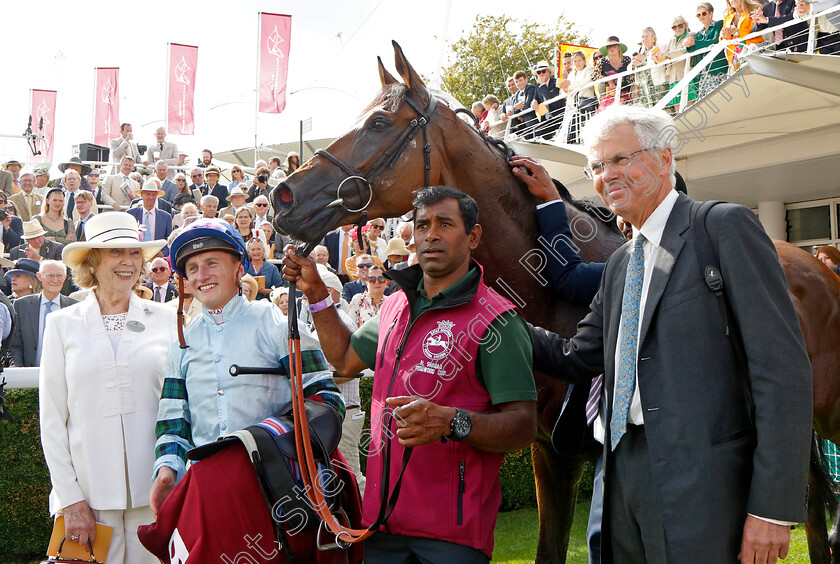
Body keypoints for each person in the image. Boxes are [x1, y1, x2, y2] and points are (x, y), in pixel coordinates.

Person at [528, 104, 812, 562]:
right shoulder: (621, 262)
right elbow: (577, 357)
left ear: (664, 159)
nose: (607, 175)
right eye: (597, 166)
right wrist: (493, 319)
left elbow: (781, 374)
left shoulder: (722, 227)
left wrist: (773, 509)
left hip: (704, 484)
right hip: (621, 472)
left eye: (621, 159)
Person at [283, 185, 537, 563]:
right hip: (382, 526)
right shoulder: (395, 306)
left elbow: (523, 425)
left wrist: (453, 422)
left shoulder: (497, 320)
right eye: (422, 225)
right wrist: (317, 293)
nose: (430, 234)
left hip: (451, 538)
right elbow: (345, 359)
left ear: (473, 236)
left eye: (444, 224)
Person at [149, 218, 343, 516]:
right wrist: (167, 468)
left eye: (212, 263)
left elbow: (328, 402)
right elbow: (173, 423)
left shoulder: (274, 322)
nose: (202, 275)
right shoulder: (181, 342)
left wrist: (264, 439)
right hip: (208, 496)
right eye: (192, 268)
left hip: (277, 496)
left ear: (240, 268)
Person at [40, 212, 175, 564]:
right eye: (116, 252)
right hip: (88, 502)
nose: (128, 262)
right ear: (93, 260)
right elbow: (52, 420)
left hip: (157, 496)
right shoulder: (60, 325)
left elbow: (179, 406)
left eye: (134, 253)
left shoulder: (165, 318)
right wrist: (70, 500)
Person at [10, 260, 76, 367]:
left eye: (59, 275)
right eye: (50, 275)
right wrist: (20, 373)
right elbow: (15, 345)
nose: (55, 280)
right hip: (29, 378)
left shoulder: (75, 307)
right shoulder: (21, 305)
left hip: (63, 377)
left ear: (64, 277)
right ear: (39, 276)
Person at [687, 4, 729, 98]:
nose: (701, 16)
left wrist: (695, 43)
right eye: (699, 15)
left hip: (716, 70)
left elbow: (716, 41)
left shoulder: (718, 24)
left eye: (704, 13)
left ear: (711, 13)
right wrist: (689, 45)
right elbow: (693, 49)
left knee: (719, 98)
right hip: (704, 74)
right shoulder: (699, 33)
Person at [662, 16, 697, 109]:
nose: (677, 29)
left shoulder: (690, 35)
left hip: (687, 77)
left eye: (680, 26)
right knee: (678, 112)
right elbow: (663, 55)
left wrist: (667, 54)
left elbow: (684, 51)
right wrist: (657, 56)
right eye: (674, 27)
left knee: (690, 110)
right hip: (674, 79)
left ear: (685, 25)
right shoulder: (671, 41)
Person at [127, 182, 173, 252]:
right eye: (148, 194)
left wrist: (163, 253)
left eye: (154, 195)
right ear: (142, 195)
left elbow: (169, 240)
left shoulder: (166, 217)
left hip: (157, 256)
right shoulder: (131, 214)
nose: (151, 197)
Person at [566, 50, 599, 143]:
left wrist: (570, 84)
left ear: (584, 60)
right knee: (573, 132)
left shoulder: (589, 70)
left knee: (584, 132)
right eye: (575, 61)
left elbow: (587, 81)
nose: (577, 63)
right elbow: (567, 88)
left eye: (579, 60)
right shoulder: (571, 74)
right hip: (574, 107)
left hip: (586, 106)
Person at [593, 36, 634, 111]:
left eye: (614, 46)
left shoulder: (627, 60)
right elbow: (594, 76)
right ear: (607, 49)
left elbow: (633, 75)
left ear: (619, 47)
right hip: (610, 97)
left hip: (627, 95)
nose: (612, 48)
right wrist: (608, 80)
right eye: (609, 46)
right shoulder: (602, 62)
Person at [721, 0, 764, 70]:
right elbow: (723, 37)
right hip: (733, 58)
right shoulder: (728, 17)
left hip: (752, 53)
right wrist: (723, 34)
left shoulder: (753, 10)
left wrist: (735, 32)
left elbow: (755, 31)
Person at [632, 28, 668, 108]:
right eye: (642, 37)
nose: (644, 39)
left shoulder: (661, 47)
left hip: (658, 86)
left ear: (653, 37)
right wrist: (633, 64)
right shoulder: (640, 51)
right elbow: (631, 68)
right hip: (644, 89)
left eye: (646, 36)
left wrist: (644, 59)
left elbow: (659, 61)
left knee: (663, 110)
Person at [531, 60, 564, 139]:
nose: (541, 74)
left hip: (559, 116)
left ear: (549, 72)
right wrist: (534, 101)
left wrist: (542, 85)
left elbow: (550, 97)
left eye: (543, 71)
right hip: (547, 117)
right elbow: (536, 97)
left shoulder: (556, 82)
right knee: (536, 130)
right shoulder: (538, 85)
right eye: (539, 72)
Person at [245, 236, 283, 300]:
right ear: (248, 252)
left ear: (263, 250)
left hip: (267, 304)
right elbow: (238, 290)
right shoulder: (244, 268)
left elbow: (280, 290)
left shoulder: (272, 268)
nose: (256, 252)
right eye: (253, 249)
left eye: (259, 249)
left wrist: (265, 291)